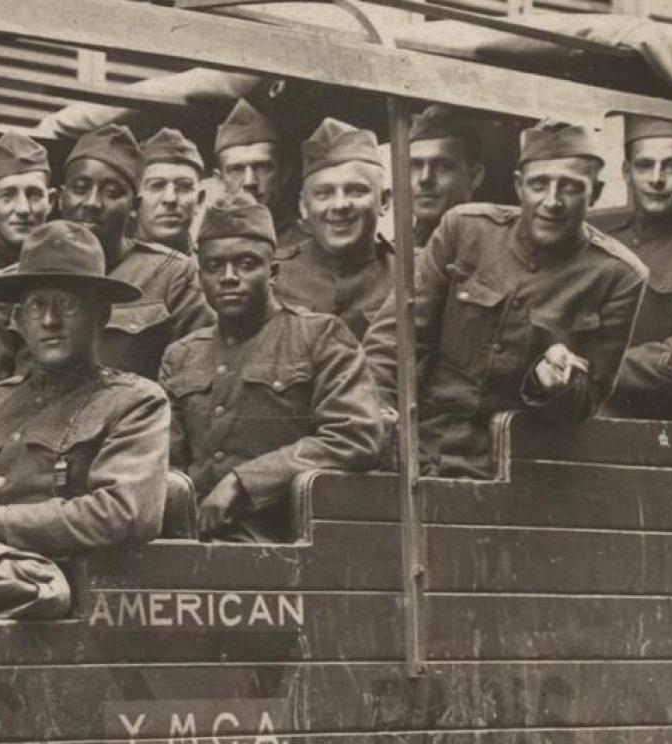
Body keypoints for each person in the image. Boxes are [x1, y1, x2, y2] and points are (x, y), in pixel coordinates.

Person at [363, 120, 648, 478]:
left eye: (571, 187)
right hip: (416, 444)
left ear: (596, 193)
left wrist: (551, 383)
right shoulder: (463, 230)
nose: (552, 201)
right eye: (539, 184)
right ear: (518, 186)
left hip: (512, 465)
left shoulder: (619, 275)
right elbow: (394, 339)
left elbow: (588, 400)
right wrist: (380, 420)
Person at [0, 220, 170, 619]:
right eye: (37, 305)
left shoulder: (133, 404)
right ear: (18, 321)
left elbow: (124, 513)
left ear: (101, 315)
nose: (50, 320)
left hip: (61, 605)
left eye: (67, 304)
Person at [161, 193, 382, 543]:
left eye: (246, 264)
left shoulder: (319, 336)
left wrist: (243, 481)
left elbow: (354, 436)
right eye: (214, 266)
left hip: (288, 542)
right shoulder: (181, 355)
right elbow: (168, 460)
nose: (229, 277)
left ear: (273, 272)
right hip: (195, 541)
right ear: (200, 275)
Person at [0, 124, 212, 385]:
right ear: (60, 199)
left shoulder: (171, 275)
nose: (92, 203)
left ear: (135, 206)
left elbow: (194, 382)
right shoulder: (15, 282)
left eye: (111, 192)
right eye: (81, 188)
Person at [594, 115, 672, 419]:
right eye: (644, 165)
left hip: (665, 427)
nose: (657, 178)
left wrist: (597, 367)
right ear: (626, 172)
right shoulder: (598, 241)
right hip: (587, 413)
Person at [274, 117, 394, 339]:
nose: (339, 205)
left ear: (384, 201)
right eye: (323, 193)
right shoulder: (273, 277)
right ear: (303, 207)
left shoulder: (409, 276)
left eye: (356, 190)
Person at [0, 131, 53, 326]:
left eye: (34, 195)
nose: (23, 209)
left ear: (52, 201)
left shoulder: (68, 271)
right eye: (8, 195)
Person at [213, 99, 306, 249]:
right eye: (237, 169)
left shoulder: (310, 245)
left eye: (262, 167)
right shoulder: (207, 248)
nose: (250, 182)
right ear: (220, 180)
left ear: (285, 174)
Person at [409, 104, 486, 247]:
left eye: (443, 166)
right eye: (416, 165)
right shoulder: (392, 257)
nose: (425, 178)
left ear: (475, 177)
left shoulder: (492, 252)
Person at [130, 128, 204, 255]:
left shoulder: (208, 267)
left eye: (184, 187)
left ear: (200, 201)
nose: (170, 199)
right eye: (157, 185)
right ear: (134, 200)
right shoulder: (107, 264)